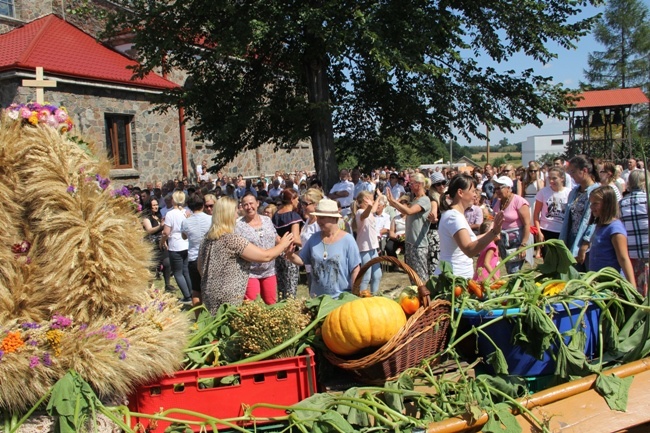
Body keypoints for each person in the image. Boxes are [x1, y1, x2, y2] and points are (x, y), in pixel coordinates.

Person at [198, 197, 294, 314]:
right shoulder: (232, 239)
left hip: (210, 295)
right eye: (234, 211)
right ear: (227, 214)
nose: (237, 214)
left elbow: (200, 268)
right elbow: (265, 256)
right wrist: (283, 244)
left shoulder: (206, 238)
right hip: (230, 299)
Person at [285, 199, 361, 298]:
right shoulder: (314, 238)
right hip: (317, 298)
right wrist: (291, 255)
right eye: (318, 217)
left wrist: (354, 294)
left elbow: (355, 269)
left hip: (340, 299)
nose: (318, 221)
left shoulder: (348, 240)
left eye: (322, 218)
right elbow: (302, 260)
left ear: (333, 218)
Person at [435, 174, 504, 279]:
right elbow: (469, 250)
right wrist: (493, 233)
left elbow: (471, 240)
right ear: (460, 193)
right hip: (453, 279)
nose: (475, 195)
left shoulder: (455, 215)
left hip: (456, 276)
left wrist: (491, 233)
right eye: (473, 191)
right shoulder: (454, 217)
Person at [235, 192, 280, 304]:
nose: (249, 207)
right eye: (245, 205)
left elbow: (275, 237)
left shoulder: (267, 220)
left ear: (258, 203)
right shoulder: (238, 225)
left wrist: (285, 244)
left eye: (251, 203)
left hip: (269, 270)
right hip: (250, 272)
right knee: (253, 305)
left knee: (271, 303)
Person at [385, 173, 431, 282]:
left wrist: (394, 201)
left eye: (411, 183)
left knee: (420, 277)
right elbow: (404, 210)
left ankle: (425, 298)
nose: (409, 185)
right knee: (412, 276)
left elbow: (409, 211)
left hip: (418, 245)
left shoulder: (424, 200)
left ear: (419, 184)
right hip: (410, 243)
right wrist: (392, 202)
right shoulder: (415, 199)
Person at [587, 186, 635, 287]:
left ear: (607, 204)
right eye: (591, 203)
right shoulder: (600, 226)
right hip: (599, 283)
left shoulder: (615, 228)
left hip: (612, 284)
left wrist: (633, 288)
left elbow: (624, 259)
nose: (591, 207)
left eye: (595, 203)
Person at [559, 155, 600, 271]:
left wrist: (585, 245)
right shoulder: (574, 193)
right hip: (573, 239)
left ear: (584, 171)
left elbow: (595, 220)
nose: (570, 175)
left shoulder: (597, 192)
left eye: (573, 172)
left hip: (588, 243)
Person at [492, 175, 532, 274]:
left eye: (499, 188)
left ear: (509, 188)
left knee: (514, 271)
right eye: (495, 188)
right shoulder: (499, 202)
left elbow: (527, 224)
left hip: (517, 240)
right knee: (509, 269)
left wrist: (523, 245)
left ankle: (517, 288)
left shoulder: (519, 201)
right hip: (504, 241)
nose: (497, 191)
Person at [619, 170, 649, 295]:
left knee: (636, 291)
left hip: (631, 254)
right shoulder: (647, 200)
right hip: (647, 252)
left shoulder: (621, 203)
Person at [181, 194, 212, 306]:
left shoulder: (186, 222)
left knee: (196, 290)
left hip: (194, 257)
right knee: (211, 288)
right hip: (209, 257)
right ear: (203, 205)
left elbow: (184, 237)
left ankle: (198, 318)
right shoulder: (211, 219)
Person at [271, 189, 303, 299]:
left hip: (278, 253)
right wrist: (307, 242)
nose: (298, 202)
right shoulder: (293, 216)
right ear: (292, 200)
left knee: (281, 288)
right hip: (291, 253)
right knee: (290, 288)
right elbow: (295, 238)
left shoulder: (276, 215)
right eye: (297, 200)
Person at [161, 191, 192, 303]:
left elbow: (166, 232)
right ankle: (191, 293)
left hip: (175, 244)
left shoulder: (170, 214)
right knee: (186, 270)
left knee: (177, 272)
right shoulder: (186, 212)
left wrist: (162, 242)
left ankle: (187, 296)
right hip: (186, 244)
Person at [533, 166, 570, 258]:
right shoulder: (543, 192)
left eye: (554, 178)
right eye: (549, 178)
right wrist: (539, 231)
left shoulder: (569, 193)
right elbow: (536, 213)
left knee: (562, 259)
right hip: (546, 230)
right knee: (549, 259)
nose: (551, 181)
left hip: (562, 231)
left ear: (562, 178)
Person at [353, 190, 384, 294]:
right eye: (370, 199)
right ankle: (363, 296)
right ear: (363, 202)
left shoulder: (370, 212)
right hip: (364, 248)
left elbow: (373, 209)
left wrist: (379, 197)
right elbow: (365, 215)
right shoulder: (360, 212)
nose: (372, 201)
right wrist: (370, 206)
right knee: (366, 275)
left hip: (373, 247)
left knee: (377, 274)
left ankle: (375, 295)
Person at [141, 198, 171, 288]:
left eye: (157, 204)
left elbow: (162, 231)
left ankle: (168, 284)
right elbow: (149, 230)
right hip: (152, 244)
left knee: (167, 263)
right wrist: (160, 226)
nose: (156, 207)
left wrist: (164, 240)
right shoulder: (146, 218)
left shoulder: (158, 216)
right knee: (152, 267)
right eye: (153, 205)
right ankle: (150, 286)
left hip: (161, 243)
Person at [299, 188, 324, 288]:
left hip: (319, 267)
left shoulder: (319, 223)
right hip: (309, 267)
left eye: (306, 204)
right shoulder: (308, 220)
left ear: (315, 204)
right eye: (302, 203)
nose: (303, 206)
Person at [428, 172, 446, 276]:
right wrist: (434, 219)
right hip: (435, 233)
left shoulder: (443, 196)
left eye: (443, 183)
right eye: (438, 184)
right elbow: (433, 215)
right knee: (435, 263)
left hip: (441, 232)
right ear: (433, 186)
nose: (442, 186)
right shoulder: (434, 199)